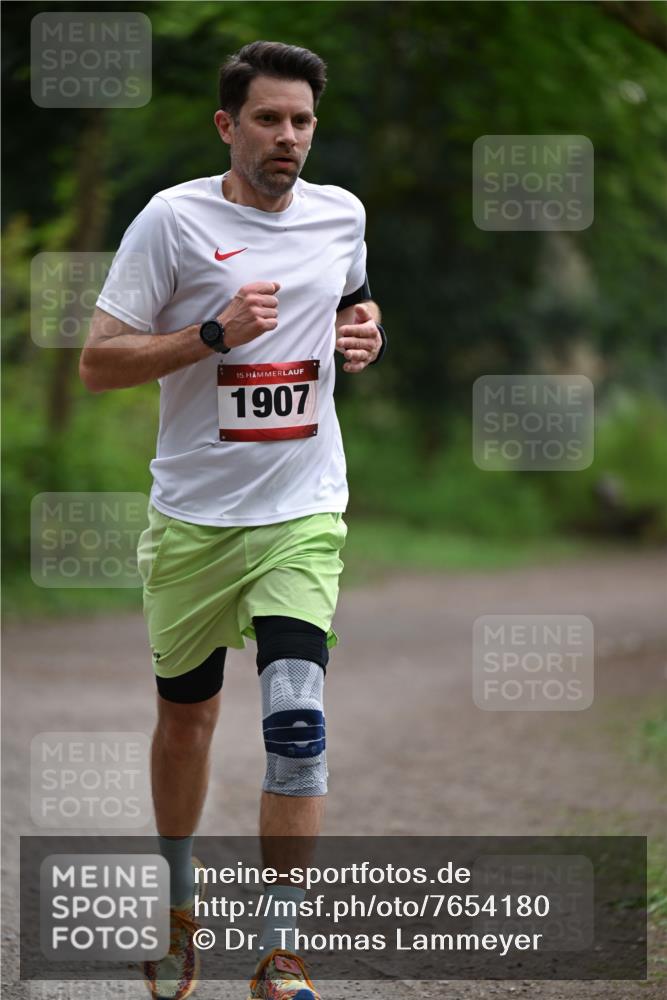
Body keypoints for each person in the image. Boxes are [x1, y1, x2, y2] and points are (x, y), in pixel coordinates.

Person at [80, 40, 386, 1000]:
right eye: (267, 119)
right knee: (188, 721)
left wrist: (365, 330)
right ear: (227, 125)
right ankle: (180, 917)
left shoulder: (342, 214)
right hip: (193, 519)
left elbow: (352, 302)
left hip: (302, 507)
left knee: (298, 722)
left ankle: (281, 955)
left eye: (300, 120)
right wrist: (212, 334)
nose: (287, 136)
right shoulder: (172, 222)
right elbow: (98, 362)